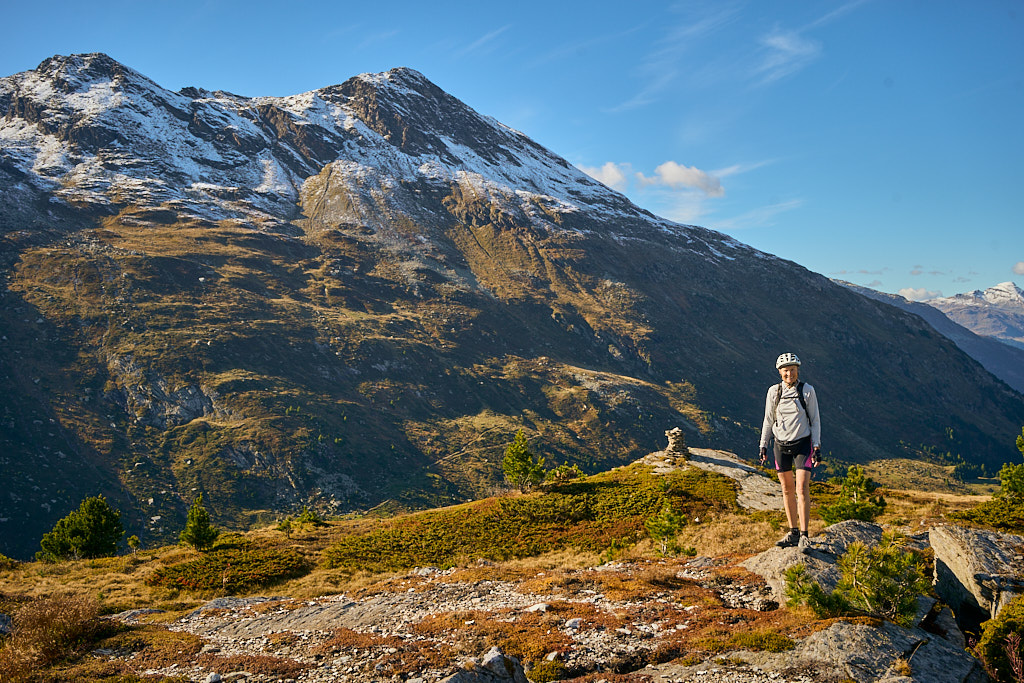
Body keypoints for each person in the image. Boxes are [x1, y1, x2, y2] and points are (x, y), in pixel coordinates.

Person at [759, 352, 821, 549]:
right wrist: (763, 444)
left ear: (797, 371)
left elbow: (815, 420)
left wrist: (817, 446)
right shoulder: (773, 392)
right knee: (787, 489)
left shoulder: (807, 391)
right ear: (780, 372)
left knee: (802, 488)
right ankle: (793, 532)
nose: (789, 374)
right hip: (780, 445)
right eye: (786, 371)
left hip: (803, 444)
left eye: (792, 370)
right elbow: (768, 420)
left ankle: (804, 534)